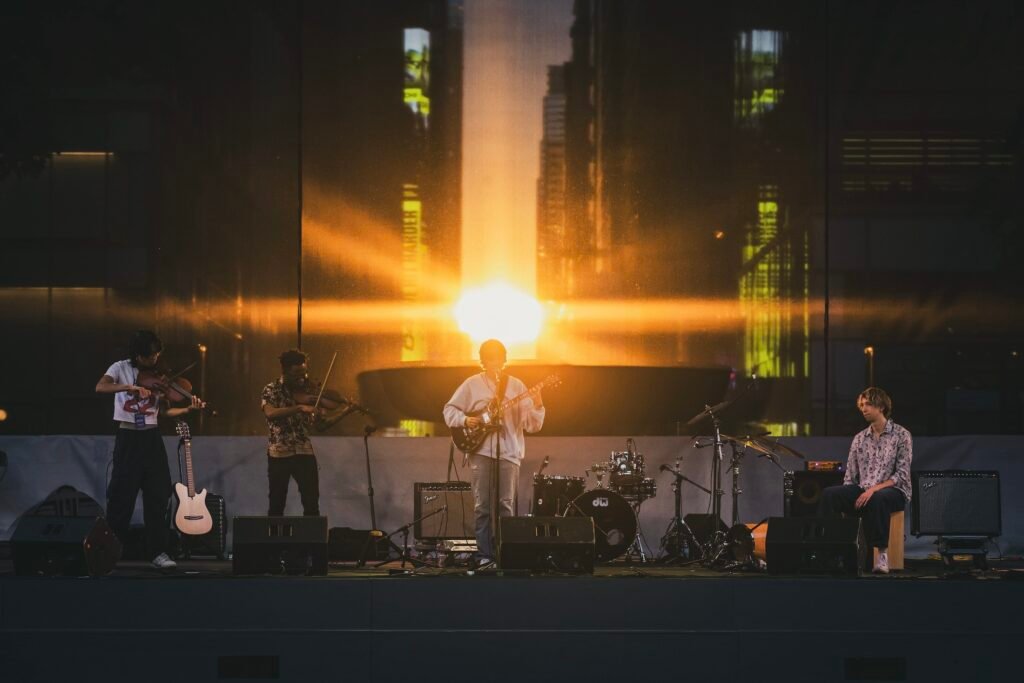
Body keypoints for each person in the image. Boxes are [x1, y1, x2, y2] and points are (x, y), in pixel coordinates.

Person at [95, 330, 204, 569]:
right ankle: (111, 552)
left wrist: (187, 410)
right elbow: (100, 387)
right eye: (149, 357)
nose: (154, 360)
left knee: (159, 494)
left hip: (151, 438)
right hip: (128, 437)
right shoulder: (119, 367)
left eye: (157, 355)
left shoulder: (159, 374)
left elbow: (166, 411)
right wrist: (130, 388)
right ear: (137, 355)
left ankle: (158, 552)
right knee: (122, 497)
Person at [443, 339, 545, 568]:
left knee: (505, 504)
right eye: (490, 358)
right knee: (483, 505)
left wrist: (538, 404)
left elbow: (531, 425)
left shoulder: (516, 386)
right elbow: (449, 410)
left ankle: (505, 553)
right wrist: (465, 420)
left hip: (508, 452)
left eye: (498, 358)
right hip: (481, 450)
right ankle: (484, 555)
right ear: (483, 360)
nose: (494, 362)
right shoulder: (472, 384)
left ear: (504, 359)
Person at [819, 387, 912, 574]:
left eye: (868, 404)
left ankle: (882, 556)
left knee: (878, 498)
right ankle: (829, 550)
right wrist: (848, 498)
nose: (863, 408)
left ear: (881, 406)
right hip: (864, 488)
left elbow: (901, 475)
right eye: (861, 405)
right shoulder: (859, 438)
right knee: (830, 494)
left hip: (895, 491)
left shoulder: (901, 435)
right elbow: (850, 476)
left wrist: (873, 490)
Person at [261, 349, 323, 516]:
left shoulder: (307, 391)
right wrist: (299, 407)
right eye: (296, 372)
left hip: (304, 451)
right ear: (285, 370)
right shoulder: (271, 389)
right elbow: (270, 413)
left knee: (311, 501)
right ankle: (275, 541)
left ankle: (311, 540)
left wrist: (320, 415)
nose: (301, 377)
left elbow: (319, 426)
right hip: (279, 454)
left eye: (304, 372)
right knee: (276, 502)